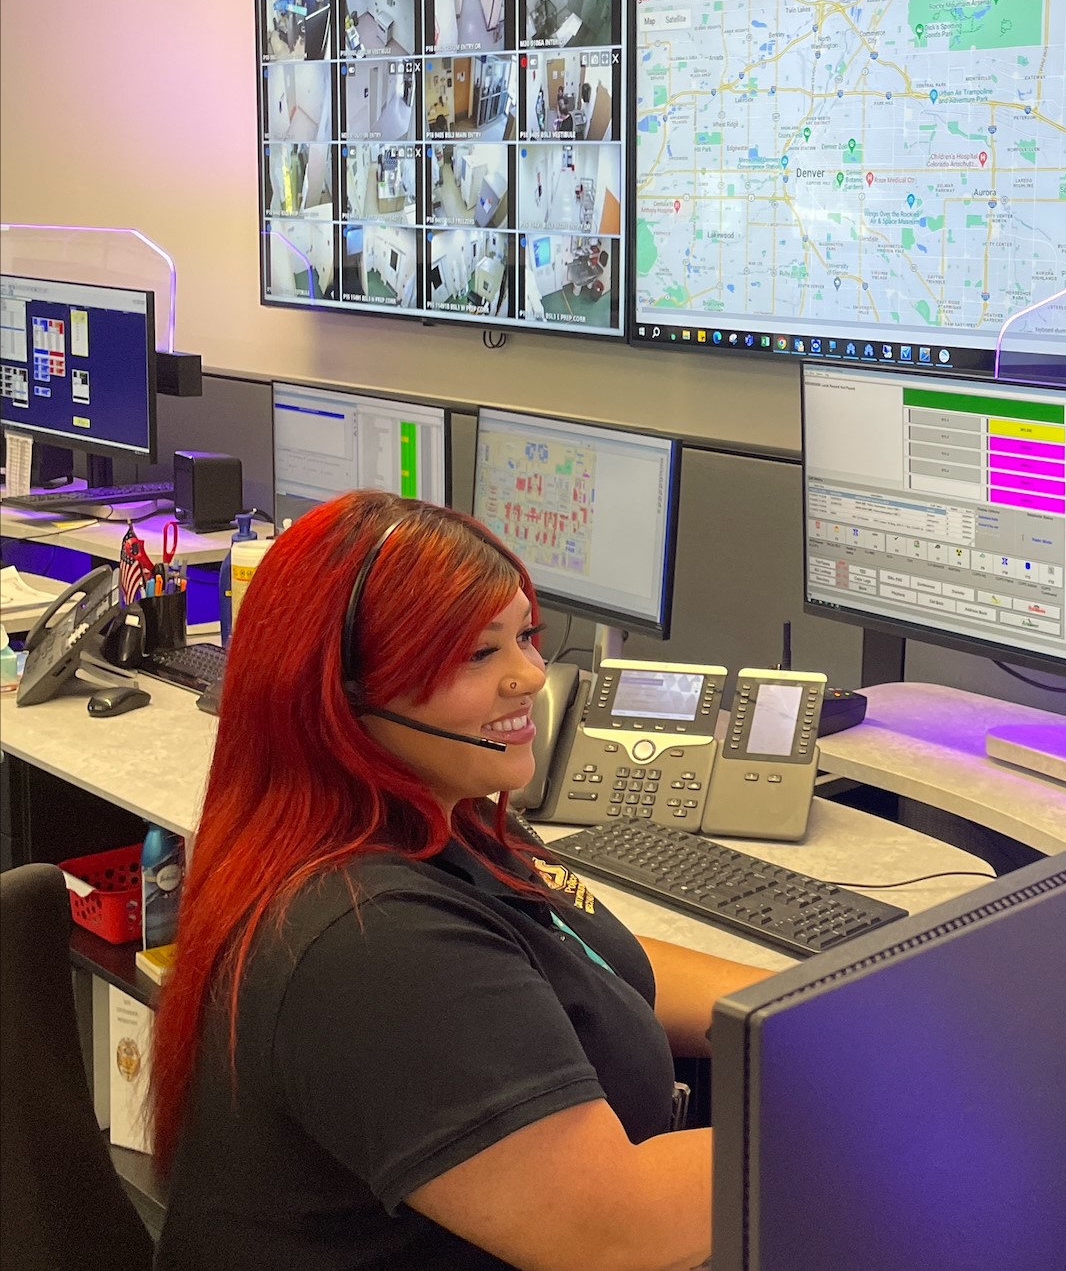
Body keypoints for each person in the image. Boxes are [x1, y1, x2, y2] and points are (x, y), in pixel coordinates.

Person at [149, 490, 768, 1270]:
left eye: (526, 637)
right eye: (480, 654)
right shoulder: (372, 941)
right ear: (344, 696)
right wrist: (862, 1124)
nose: (531, 676)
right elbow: (616, 1224)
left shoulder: (451, 815)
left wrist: (824, 1017)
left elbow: (585, 955)